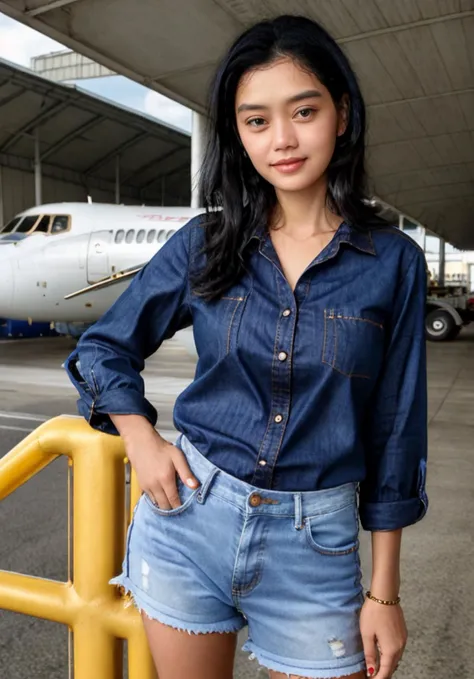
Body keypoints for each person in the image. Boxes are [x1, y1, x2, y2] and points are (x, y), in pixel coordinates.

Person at [65, 14, 428, 679]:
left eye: (304, 111)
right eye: (256, 120)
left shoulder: (393, 262)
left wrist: (383, 592)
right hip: (187, 522)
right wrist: (142, 439)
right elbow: (101, 348)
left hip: (314, 548)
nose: (282, 139)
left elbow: (395, 432)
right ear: (237, 132)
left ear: (342, 114)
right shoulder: (206, 244)